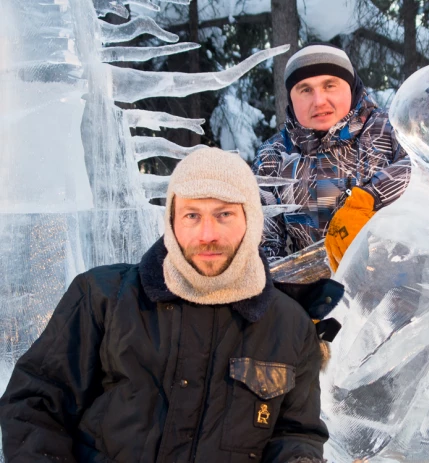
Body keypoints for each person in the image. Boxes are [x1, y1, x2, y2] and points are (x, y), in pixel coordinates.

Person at [0, 148, 343, 462]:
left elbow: (295, 434)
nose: (207, 233)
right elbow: (36, 403)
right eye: (192, 215)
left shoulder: (289, 325)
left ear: (250, 220)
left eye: (223, 214)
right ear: (172, 222)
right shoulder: (103, 298)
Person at [253, 43, 411, 271]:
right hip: (318, 298)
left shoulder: (393, 128)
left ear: (351, 86)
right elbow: (263, 244)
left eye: (330, 85)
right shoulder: (273, 158)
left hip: (404, 290)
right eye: (305, 89)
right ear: (290, 97)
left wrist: (368, 199)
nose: (318, 101)